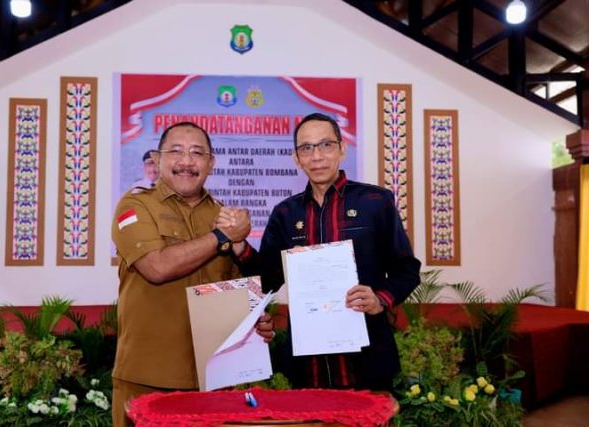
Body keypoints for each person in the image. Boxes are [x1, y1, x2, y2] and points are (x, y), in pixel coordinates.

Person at [111, 122, 274, 427]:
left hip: (213, 381)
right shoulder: (135, 205)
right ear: (157, 160)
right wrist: (222, 236)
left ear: (211, 163)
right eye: (176, 151)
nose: (186, 161)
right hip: (148, 378)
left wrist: (255, 320)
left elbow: (235, 288)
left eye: (197, 153)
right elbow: (157, 268)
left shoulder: (222, 215)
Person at [260, 112, 421, 391]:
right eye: (306, 148)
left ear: (342, 149)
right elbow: (265, 279)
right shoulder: (285, 213)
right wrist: (238, 245)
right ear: (296, 158)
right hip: (308, 366)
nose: (317, 156)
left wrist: (379, 299)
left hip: (369, 360)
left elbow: (407, 269)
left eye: (326, 145)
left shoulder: (375, 201)